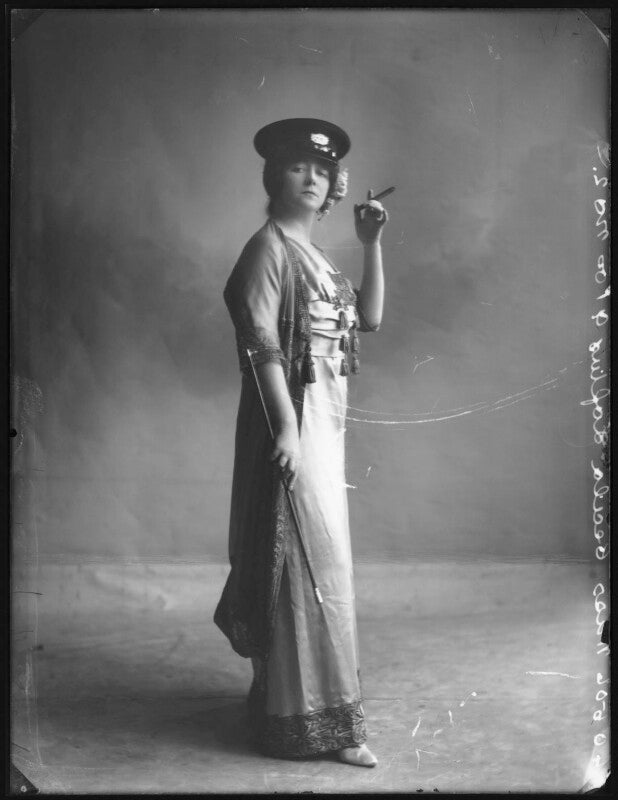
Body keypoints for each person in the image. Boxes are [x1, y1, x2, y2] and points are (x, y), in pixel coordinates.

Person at [214, 118, 388, 767]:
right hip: (294, 424)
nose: (311, 178)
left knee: (319, 566)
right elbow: (259, 343)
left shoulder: (316, 256)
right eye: (297, 167)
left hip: (325, 427)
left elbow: (368, 318)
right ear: (274, 176)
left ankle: (302, 706)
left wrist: (370, 244)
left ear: (335, 183)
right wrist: (286, 429)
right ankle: (311, 719)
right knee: (310, 566)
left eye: (322, 170)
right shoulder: (267, 250)